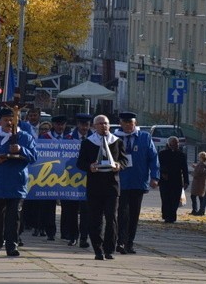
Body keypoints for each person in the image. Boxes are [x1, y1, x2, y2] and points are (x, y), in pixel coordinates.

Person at [0, 106, 37, 257]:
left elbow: (34, 157)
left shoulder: (25, 137)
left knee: (14, 217)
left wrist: (21, 150)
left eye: (12, 119)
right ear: (0, 122)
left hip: (17, 183)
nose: (9, 123)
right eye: (6, 120)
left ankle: (12, 245)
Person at [76, 114, 128, 260]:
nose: (103, 126)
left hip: (112, 185)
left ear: (109, 125)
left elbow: (124, 159)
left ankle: (109, 249)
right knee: (95, 219)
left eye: (105, 123)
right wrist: (89, 167)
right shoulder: (88, 143)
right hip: (95, 185)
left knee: (112, 217)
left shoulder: (117, 141)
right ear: (94, 126)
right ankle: (97, 249)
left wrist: (119, 165)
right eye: (100, 124)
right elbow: (80, 163)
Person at [113, 111, 158, 254]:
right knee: (122, 213)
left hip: (138, 181)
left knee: (134, 214)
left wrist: (155, 177)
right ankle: (120, 241)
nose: (128, 126)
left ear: (135, 123)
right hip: (120, 181)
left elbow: (153, 157)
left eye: (131, 123)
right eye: (125, 123)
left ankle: (129, 243)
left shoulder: (144, 137)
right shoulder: (114, 138)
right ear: (121, 123)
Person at [61, 113, 92, 247]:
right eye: (82, 124)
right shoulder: (68, 138)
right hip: (71, 178)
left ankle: (84, 237)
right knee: (71, 209)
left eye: (87, 124)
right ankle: (73, 236)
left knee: (86, 210)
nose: (84, 127)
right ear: (77, 124)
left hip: (88, 179)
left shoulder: (94, 139)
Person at [157, 136, 189, 223]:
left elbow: (185, 169)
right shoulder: (162, 153)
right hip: (165, 180)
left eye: (176, 144)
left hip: (176, 180)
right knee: (165, 199)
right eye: (173, 144)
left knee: (175, 199)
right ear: (169, 144)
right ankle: (166, 215)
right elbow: (158, 166)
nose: (175, 146)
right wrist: (162, 173)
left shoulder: (181, 155)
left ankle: (172, 216)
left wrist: (186, 181)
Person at [190, 151, 206, 216]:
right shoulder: (205, 164)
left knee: (194, 196)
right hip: (201, 183)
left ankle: (196, 210)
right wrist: (195, 167)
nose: (198, 158)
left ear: (202, 157)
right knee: (200, 197)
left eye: (199, 157)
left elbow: (199, 172)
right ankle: (201, 210)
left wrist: (193, 174)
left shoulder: (201, 164)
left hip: (198, 183)